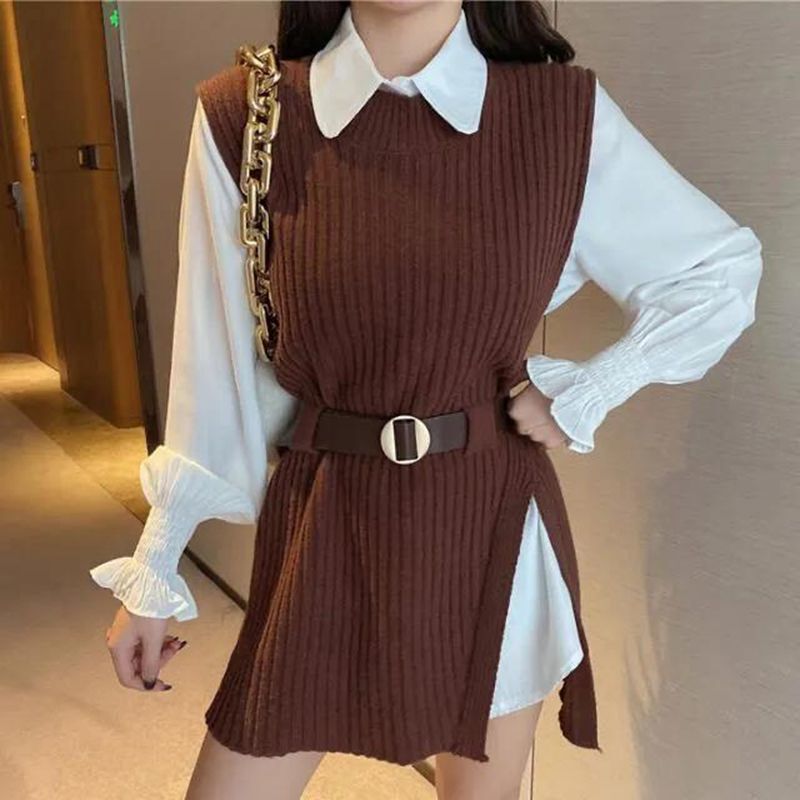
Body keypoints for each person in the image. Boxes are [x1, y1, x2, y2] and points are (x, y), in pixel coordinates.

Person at [89, 2, 763, 798]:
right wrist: (157, 561)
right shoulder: (249, 114)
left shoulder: (557, 114)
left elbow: (716, 273)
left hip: (489, 522)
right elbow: (217, 362)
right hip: (327, 516)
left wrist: (593, 387)